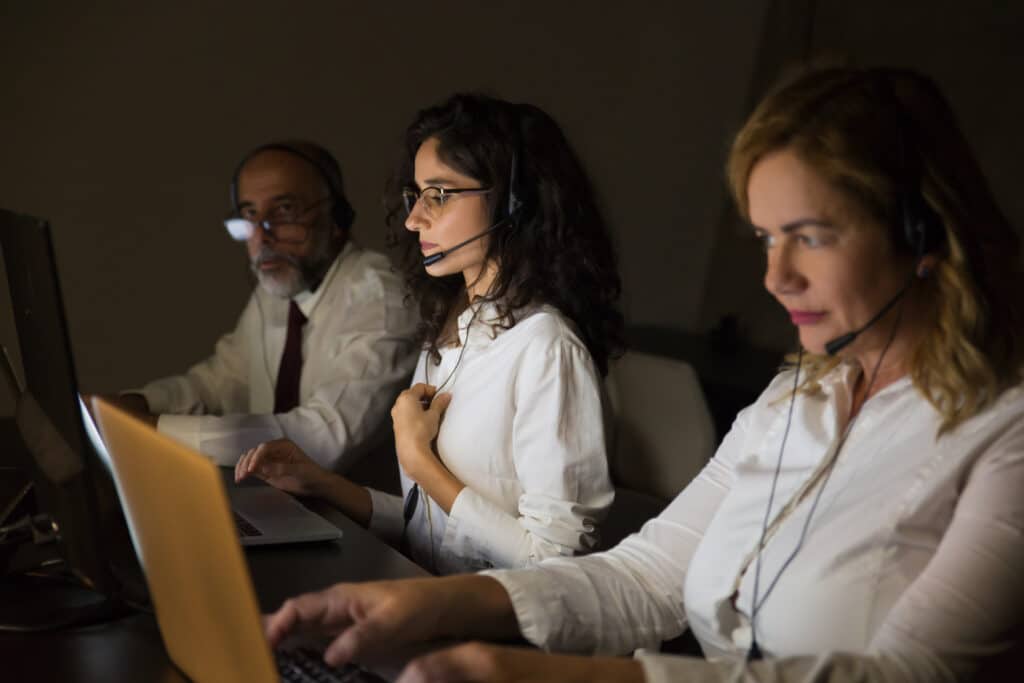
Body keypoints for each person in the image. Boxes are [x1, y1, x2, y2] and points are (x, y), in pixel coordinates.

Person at [260, 67, 1024, 681]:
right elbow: (649, 572)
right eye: (763, 239)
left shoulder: (1005, 429)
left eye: (810, 237)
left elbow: (910, 670)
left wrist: (535, 671)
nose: (774, 277)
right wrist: (419, 606)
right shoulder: (801, 393)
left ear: (923, 231)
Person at [235, 94, 623, 574]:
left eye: (439, 194)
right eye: (415, 196)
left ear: (513, 202)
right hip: (429, 596)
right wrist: (321, 484)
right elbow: (438, 531)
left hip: (497, 634)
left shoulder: (546, 349)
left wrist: (420, 462)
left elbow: (556, 562)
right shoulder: (451, 330)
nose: (415, 218)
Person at [104, 141, 419, 475]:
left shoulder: (382, 300)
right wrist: (137, 403)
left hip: (357, 522)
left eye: (283, 212)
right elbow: (219, 383)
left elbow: (321, 438)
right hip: (286, 502)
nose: (261, 238)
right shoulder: (278, 289)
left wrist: (152, 431)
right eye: (249, 216)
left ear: (337, 219)